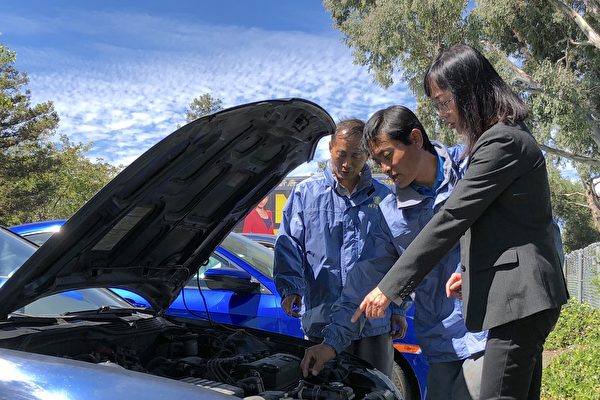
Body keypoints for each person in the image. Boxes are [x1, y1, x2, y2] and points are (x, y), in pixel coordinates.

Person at [353, 45, 569, 399]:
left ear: (469, 91)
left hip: (520, 300)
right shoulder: (501, 139)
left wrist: (388, 287)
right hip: (522, 300)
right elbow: (499, 226)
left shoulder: (502, 141)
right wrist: (470, 272)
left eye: (443, 102)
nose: (441, 114)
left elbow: (452, 216)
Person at [361, 105, 487, 400]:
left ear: (415, 139)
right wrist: (331, 341)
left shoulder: (473, 167)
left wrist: (474, 272)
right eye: (377, 161)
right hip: (441, 340)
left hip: (488, 329)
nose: (384, 169)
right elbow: (368, 276)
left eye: (387, 155)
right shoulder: (389, 214)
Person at [274, 118, 407, 379]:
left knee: (374, 389)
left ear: (367, 154)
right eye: (341, 154)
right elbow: (288, 244)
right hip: (322, 319)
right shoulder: (305, 194)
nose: (346, 164)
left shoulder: (385, 198)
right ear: (330, 148)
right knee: (321, 391)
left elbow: (401, 258)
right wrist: (290, 288)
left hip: (373, 323)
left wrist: (399, 308)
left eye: (356, 155)